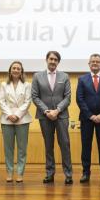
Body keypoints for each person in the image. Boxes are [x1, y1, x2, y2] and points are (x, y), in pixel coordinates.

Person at [31, 50, 73, 184]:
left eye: (55, 60)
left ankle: (68, 174)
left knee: (65, 144)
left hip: (61, 116)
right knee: (48, 145)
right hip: (45, 116)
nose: (53, 61)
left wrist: (57, 110)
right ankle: (50, 173)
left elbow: (67, 97)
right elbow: (35, 96)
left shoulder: (64, 76)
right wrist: (47, 111)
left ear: (58, 62)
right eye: (51, 59)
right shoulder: (37, 76)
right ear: (46, 60)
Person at [75, 53, 100, 184]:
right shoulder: (82, 79)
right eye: (93, 62)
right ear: (89, 64)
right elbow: (79, 99)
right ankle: (85, 173)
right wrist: (90, 115)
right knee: (86, 146)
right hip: (87, 119)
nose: (95, 63)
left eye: (97, 62)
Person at [0, 61, 32, 183]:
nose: (16, 70)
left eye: (18, 68)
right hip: (7, 119)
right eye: (14, 68)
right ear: (10, 70)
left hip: (22, 119)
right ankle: (9, 172)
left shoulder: (27, 85)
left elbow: (28, 101)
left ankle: (20, 173)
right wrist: (9, 114)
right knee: (8, 148)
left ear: (21, 71)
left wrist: (17, 115)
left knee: (22, 148)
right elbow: (1, 101)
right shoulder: (3, 84)